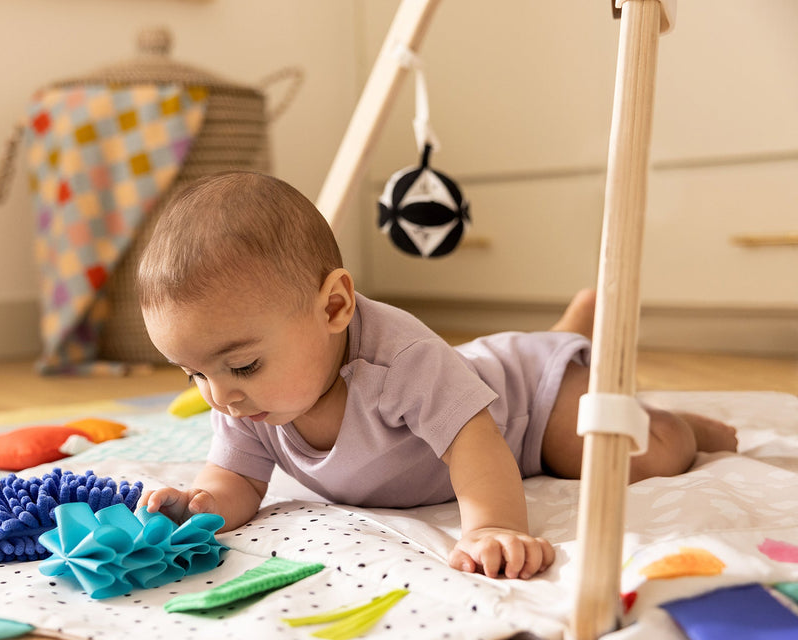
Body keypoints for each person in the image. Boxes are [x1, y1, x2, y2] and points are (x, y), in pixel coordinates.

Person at [135, 171, 738, 580]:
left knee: (629, 454)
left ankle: (672, 421)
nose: (221, 395)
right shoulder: (243, 397)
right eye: (194, 374)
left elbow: (475, 443)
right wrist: (200, 505)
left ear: (334, 308)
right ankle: (569, 328)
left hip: (528, 403)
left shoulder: (399, 359)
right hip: (476, 370)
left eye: (241, 365)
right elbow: (236, 477)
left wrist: (494, 526)